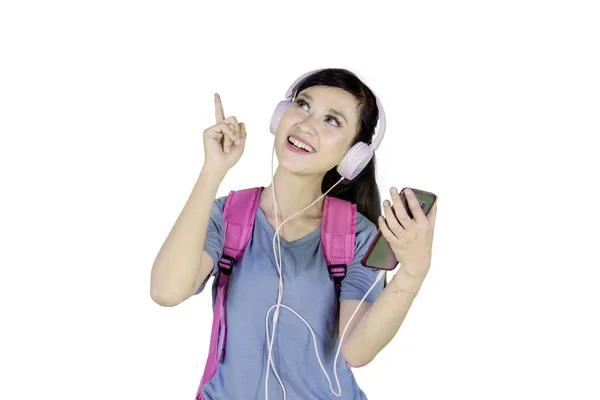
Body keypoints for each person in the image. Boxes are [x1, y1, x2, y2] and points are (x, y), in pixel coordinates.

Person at [150, 68, 438, 400]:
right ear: (279, 117)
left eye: (332, 120)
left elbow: (356, 351)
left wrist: (414, 273)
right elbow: (166, 291)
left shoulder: (356, 235)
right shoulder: (228, 216)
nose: (307, 125)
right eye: (303, 105)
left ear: (353, 156)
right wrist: (213, 170)